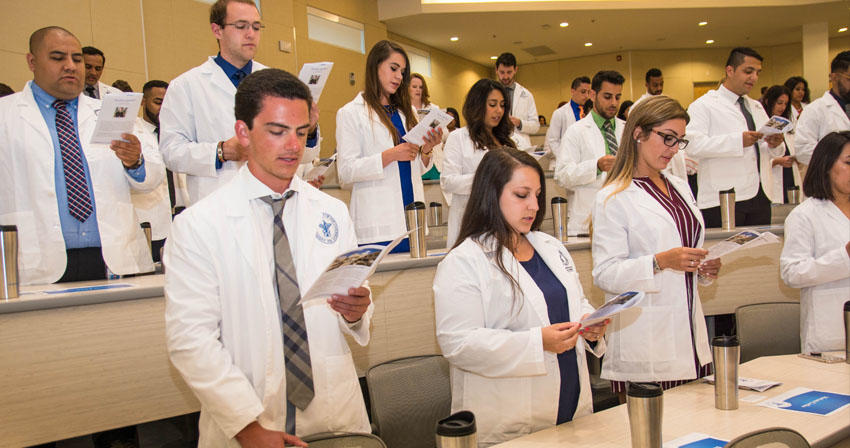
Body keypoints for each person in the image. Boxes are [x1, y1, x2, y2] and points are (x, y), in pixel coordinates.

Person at [164, 68, 373, 447]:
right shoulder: (198, 226)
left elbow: (353, 303)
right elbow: (191, 341)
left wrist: (356, 311)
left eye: (302, 132)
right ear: (243, 132)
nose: (293, 145)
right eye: (277, 132)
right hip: (249, 420)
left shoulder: (332, 212)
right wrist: (248, 427)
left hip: (333, 411)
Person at [433, 148, 607, 446]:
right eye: (522, 195)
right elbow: (458, 343)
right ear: (491, 195)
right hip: (510, 424)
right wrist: (537, 342)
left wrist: (590, 325)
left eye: (538, 195)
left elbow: (573, 302)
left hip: (573, 413)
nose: (534, 206)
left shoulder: (550, 247)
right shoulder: (463, 262)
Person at [0, 26, 163, 285]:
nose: (70, 66)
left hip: (111, 256)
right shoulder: (5, 115)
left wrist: (135, 161)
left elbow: (152, 179)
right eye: (57, 58)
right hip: (34, 259)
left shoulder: (113, 111)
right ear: (32, 61)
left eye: (77, 59)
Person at [592, 95, 721, 395]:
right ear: (638, 133)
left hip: (689, 339)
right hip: (647, 344)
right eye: (667, 138)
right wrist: (660, 262)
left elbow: (683, 252)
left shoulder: (678, 185)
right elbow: (605, 274)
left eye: (680, 141)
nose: (674, 149)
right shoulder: (613, 196)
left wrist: (702, 269)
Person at [159, 0, 323, 205]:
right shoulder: (186, 85)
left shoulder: (277, 82)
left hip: (272, 202)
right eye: (241, 26)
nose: (250, 34)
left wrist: (309, 128)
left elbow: (305, 157)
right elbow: (171, 152)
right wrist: (221, 151)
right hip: (217, 205)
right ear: (217, 30)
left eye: (256, 27)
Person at [336, 40, 441, 252]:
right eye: (393, 69)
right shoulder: (350, 113)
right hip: (378, 224)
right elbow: (345, 172)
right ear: (375, 66)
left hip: (413, 219)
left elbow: (415, 168)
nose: (399, 77)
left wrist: (427, 150)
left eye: (402, 72)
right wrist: (390, 155)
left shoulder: (407, 111)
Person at [686, 47, 784, 228]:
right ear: (729, 71)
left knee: (758, 253)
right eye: (748, 71)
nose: (754, 77)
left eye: (757, 73)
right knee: (725, 253)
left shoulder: (755, 106)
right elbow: (692, 145)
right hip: (724, 197)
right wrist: (737, 141)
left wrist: (774, 144)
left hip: (761, 194)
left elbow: (765, 150)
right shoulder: (704, 105)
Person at [780, 131, 850, 354]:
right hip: (829, 334)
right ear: (827, 165)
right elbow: (792, 273)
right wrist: (844, 256)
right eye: (849, 162)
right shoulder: (805, 215)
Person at [441, 79, 517, 248]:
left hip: (504, 222)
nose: (499, 110)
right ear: (478, 105)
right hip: (471, 223)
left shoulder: (507, 142)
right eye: (492, 104)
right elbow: (448, 181)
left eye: (502, 105)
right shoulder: (459, 138)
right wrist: (484, 178)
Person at [553, 70, 625, 236]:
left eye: (618, 97)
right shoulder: (576, 131)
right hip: (587, 221)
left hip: (623, 219)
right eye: (607, 97)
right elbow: (562, 176)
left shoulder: (628, 130)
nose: (613, 103)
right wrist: (596, 166)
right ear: (593, 95)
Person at [129, 80, 173, 263]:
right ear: (143, 102)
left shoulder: (174, 134)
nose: (163, 108)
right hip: (147, 220)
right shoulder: (133, 132)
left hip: (176, 219)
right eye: (157, 102)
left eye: (167, 103)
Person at [794, 51, 850, 165]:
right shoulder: (815, 110)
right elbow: (802, 150)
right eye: (849, 79)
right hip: (830, 179)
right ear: (834, 77)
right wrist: (839, 161)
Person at [761, 85, 802, 203]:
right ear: (769, 101)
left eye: (785, 104)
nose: (783, 107)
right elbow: (759, 158)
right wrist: (777, 161)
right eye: (779, 103)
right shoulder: (762, 125)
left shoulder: (788, 126)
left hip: (790, 177)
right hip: (772, 179)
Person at [494, 52, 538, 150]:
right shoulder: (488, 93)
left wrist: (519, 123)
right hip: (496, 142)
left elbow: (535, 126)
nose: (505, 77)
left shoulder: (526, 95)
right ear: (496, 70)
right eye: (502, 72)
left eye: (509, 72)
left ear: (515, 70)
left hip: (520, 145)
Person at [410, 72, 446, 179]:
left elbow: (444, 133)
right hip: (414, 158)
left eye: (421, 87)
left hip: (435, 157)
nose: (418, 90)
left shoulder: (433, 108)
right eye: (414, 87)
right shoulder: (403, 110)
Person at [545, 76, 591, 153]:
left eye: (588, 92)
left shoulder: (591, 113)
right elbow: (553, 141)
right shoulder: (560, 113)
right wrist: (564, 158)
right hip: (566, 158)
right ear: (573, 91)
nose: (586, 96)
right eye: (583, 92)